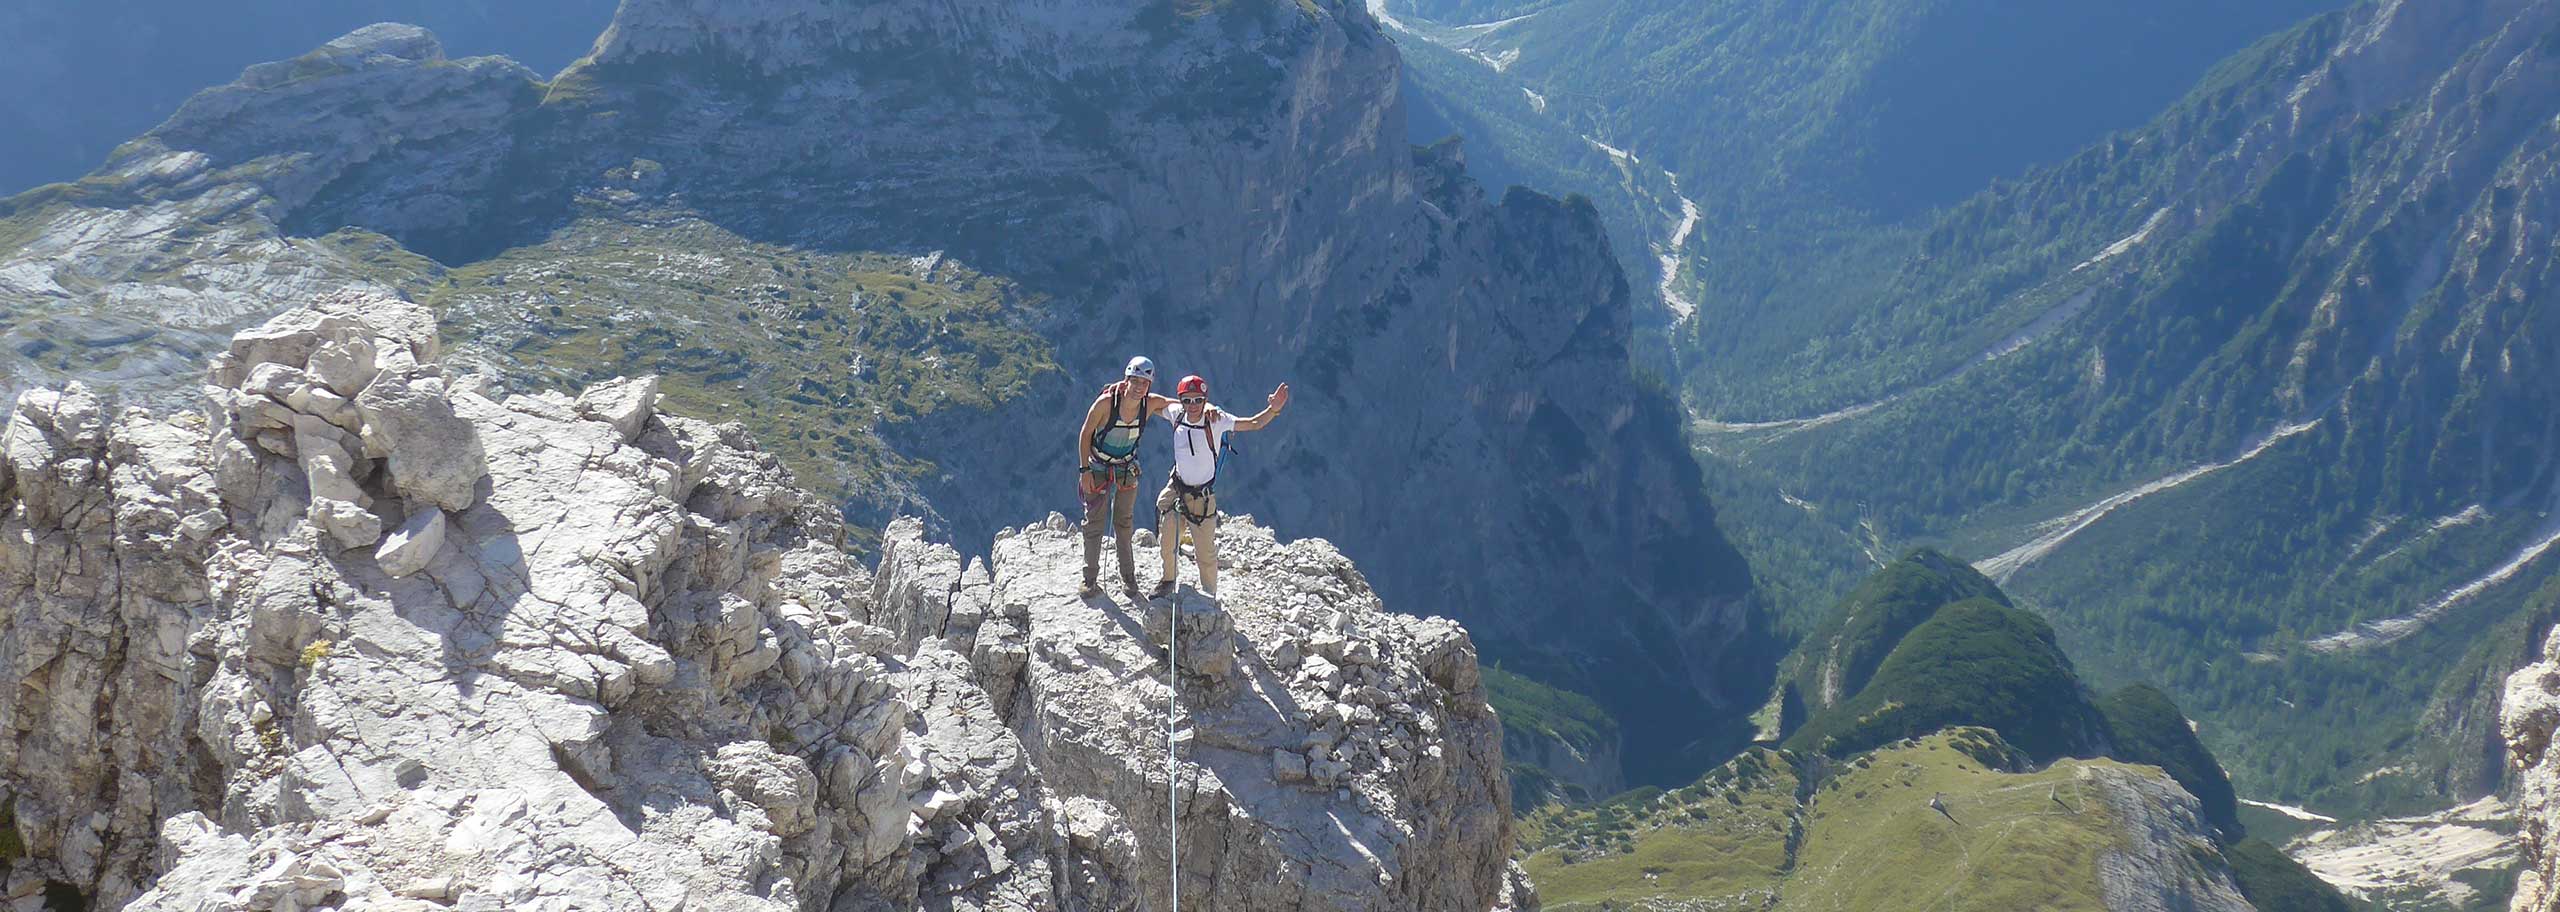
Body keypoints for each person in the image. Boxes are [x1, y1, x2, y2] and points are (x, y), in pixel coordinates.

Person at [1151, 375, 1288, 599]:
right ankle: (1168, 579)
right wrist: (1122, 391)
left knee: (1205, 552)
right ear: (1181, 401)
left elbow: (1253, 423)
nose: (1193, 405)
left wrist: (1272, 410)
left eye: (1198, 400)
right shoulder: (1176, 414)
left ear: (1205, 400)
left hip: (1201, 497)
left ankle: (1208, 594)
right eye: (1187, 400)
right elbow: (1151, 404)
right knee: (1167, 539)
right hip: (1177, 488)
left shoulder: (1216, 420)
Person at [1079, 356, 1177, 598]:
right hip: (1098, 468)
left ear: (1149, 386)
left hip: (1126, 470)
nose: (1139, 387)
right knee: (1094, 523)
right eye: (1135, 381)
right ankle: (1089, 579)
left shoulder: (1150, 403)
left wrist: (1209, 411)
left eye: (1144, 383)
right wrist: (1084, 471)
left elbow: (1181, 404)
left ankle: (1129, 579)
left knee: (1124, 524)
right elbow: (1085, 434)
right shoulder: (1105, 404)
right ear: (1126, 380)